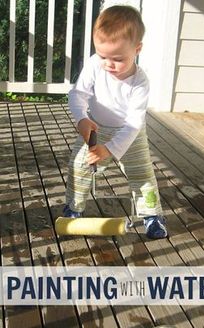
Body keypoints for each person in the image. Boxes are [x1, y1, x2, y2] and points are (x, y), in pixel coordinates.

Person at [64, 5, 167, 239]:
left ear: (137, 49)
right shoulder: (94, 64)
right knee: (79, 167)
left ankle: (152, 215)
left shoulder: (140, 82)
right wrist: (81, 119)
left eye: (118, 59)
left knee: (142, 175)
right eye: (103, 56)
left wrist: (109, 150)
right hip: (97, 129)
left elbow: (133, 123)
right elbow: (78, 94)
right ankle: (74, 208)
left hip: (130, 133)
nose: (108, 64)